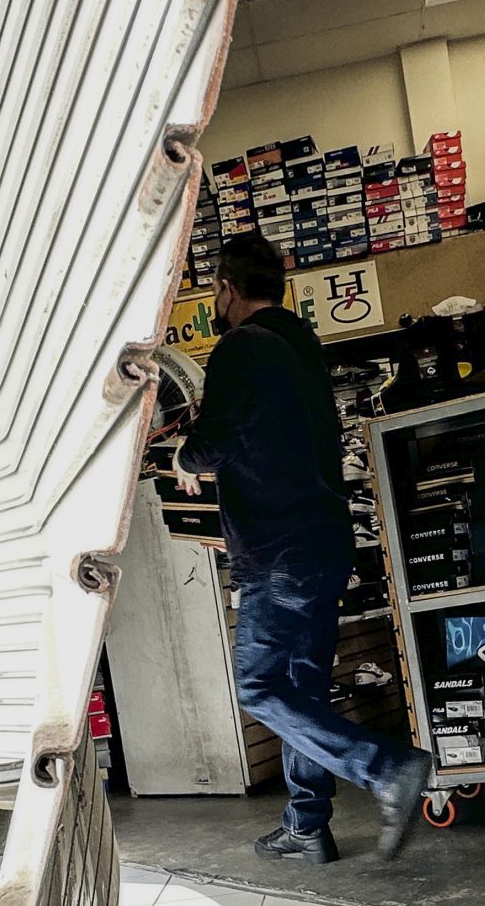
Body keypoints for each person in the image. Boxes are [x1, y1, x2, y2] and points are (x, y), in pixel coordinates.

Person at [174, 232, 433, 866]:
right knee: (302, 690)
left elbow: (216, 440)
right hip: (323, 540)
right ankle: (307, 824)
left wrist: (185, 455)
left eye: (215, 290)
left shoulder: (241, 346)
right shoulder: (301, 345)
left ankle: (386, 768)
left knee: (258, 686)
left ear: (227, 289)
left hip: (278, 552)